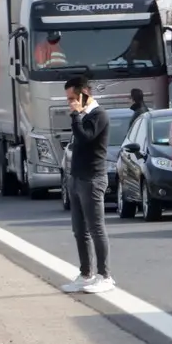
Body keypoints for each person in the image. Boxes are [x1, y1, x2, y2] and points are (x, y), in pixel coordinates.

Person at [60, 76, 115, 294]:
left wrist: (75, 116)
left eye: (73, 98)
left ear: (85, 94)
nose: (70, 103)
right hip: (77, 178)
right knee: (79, 229)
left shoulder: (98, 115)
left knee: (96, 228)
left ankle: (105, 275)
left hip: (93, 178)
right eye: (68, 99)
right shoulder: (83, 115)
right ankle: (86, 274)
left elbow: (85, 138)